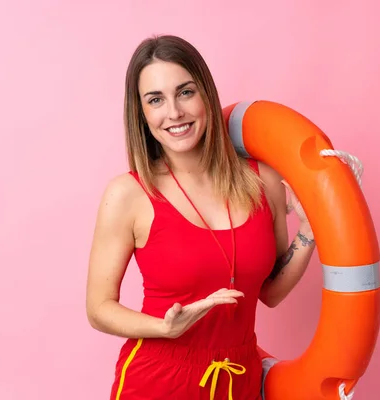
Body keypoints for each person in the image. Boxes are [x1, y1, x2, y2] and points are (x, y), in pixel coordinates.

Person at [85, 34, 316, 400]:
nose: (174, 112)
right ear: (142, 114)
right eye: (155, 100)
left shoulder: (263, 182)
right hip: (158, 379)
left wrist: (308, 232)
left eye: (186, 92)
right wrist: (165, 328)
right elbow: (98, 308)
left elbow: (268, 292)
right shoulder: (128, 194)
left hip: (238, 379)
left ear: (206, 94)